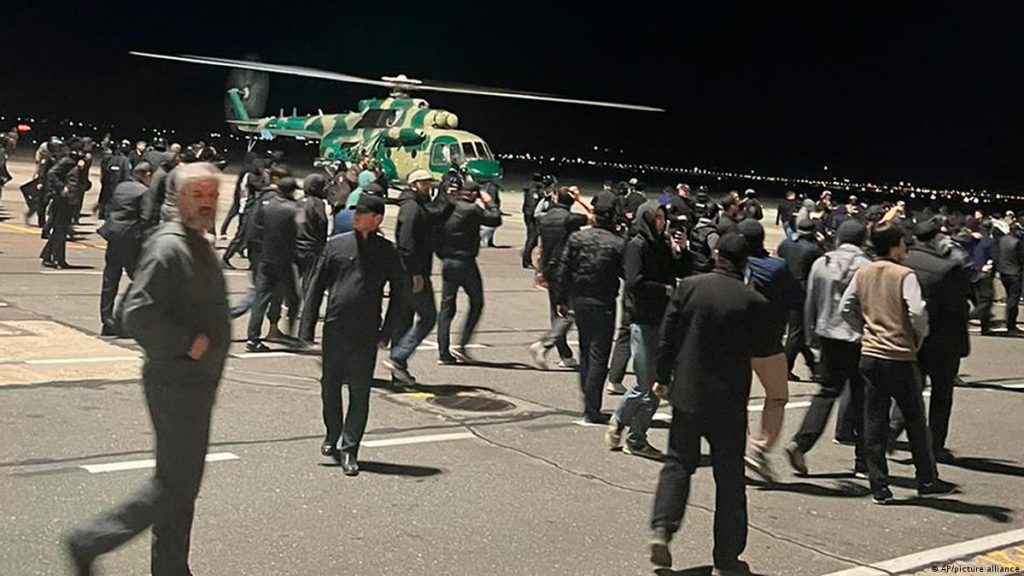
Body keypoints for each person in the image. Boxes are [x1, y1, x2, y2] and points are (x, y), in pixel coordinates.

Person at [65, 162, 230, 576]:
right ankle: (90, 540)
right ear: (177, 198)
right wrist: (186, 343)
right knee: (176, 484)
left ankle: (171, 567)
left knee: (180, 483)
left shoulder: (196, 242)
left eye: (212, 194)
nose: (207, 202)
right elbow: (135, 313)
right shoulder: (169, 247)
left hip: (195, 382)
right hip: (177, 383)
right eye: (197, 194)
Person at [647, 233, 775, 572]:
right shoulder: (752, 299)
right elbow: (764, 347)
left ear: (717, 255)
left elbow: (667, 336)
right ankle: (726, 557)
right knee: (730, 478)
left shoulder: (689, 286)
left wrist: (662, 376)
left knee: (678, 463)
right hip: (728, 400)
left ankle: (662, 528)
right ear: (745, 261)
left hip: (688, 392)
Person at [840, 222, 957, 503]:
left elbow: (846, 307)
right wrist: (917, 336)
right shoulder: (904, 275)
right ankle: (926, 479)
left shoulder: (863, 272)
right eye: (903, 244)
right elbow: (917, 312)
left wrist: (864, 330)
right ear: (895, 246)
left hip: (871, 354)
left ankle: (879, 484)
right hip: (900, 354)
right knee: (915, 420)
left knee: (874, 420)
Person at [300, 194, 409, 476]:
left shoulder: (387, 251)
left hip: (366, 331)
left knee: (360, 391)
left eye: (362, 213)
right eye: (355, 212)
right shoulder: (337, 245)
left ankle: (350, 448)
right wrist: (307, 327)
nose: (356, 217)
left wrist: (387, 332)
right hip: (336, 327)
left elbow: (401, 293)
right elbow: (316, 285)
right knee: (330, 386)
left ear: (377, 219)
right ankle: (333, 432)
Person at [784, 220, 871, 478]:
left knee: (827, 392)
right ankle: (864, 461)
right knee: (863, 398)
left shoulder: (822, 263)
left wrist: (811, 334)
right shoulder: (867, 266)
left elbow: (810, 300)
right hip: (858, 337)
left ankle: (801, 442)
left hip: (828, 334)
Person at [607, 201, 690, 457]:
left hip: (664, 319)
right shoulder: (637, 245)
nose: (662, 223)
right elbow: (634, 282)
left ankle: (634, 436)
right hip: (643, 320)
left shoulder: (662, 245)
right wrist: (664, 289)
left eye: (663, 218)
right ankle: (622, 422)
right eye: (657, 218)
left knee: (657, 383)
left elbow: (682, 271)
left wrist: (681, 251)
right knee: (646, 382)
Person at [549, 193, 625, 424]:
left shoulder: (577, 238)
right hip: (603, 301)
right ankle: (592, 407)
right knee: (599, 354)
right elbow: (626, 273)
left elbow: (563, 269)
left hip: (579, 299)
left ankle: (588, 398)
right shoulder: (618, 243)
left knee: (585, 350)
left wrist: (561, 300)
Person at [898, 220, 970, 461]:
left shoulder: (904, 261)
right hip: (943, 340)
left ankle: (894, 428)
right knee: (941, 396)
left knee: (909, 389)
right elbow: (958, 308)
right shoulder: (947, 268)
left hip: (912, 336)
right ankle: (934, 445)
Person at [737, 219, 802, 483]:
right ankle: (759, 447)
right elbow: (797, 297)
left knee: (735, 398)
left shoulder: (732, 265)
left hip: (735, 342)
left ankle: (737, 445)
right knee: (777, 397)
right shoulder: (776, 267)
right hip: (767, 342)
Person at [385, 169, 446, 383]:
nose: (428, 186)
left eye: (429, 183)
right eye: (423, 183)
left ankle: (398, 370)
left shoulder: (420, 205)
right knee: (428, 316)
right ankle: (398, 356)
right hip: (411, 272)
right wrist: (416, 273)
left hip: (410, 271)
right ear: (413, 184)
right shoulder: (411, 208)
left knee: (403, 319)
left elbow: (434, 217)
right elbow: (406, 244)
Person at [435, 182, 502, 364]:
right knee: (477, 302)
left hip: (448, 260)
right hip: (465, 261)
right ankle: (462, 344)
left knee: (447, 306)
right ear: (473, 194)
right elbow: (495, 219)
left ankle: (443, 352)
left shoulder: (449, 207)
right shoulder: (472, 210)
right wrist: (489, 202)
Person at [529, 186, 593, 368]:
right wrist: (580, 199)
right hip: (567, 269)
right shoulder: (570, 218)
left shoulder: (545, 218)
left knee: (556, 311)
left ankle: (564, 354)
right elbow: (595, 216)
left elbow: (541, 247)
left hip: (550, 269)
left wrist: (539, 271)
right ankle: (545, 344)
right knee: (571, 311)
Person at [97, 162, 154, 336]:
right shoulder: (144, 191)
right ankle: (127, 320)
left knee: (110, 280)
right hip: (130, 239)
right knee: (140, 280)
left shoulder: (121, 187)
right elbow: (146, 218)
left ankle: (107, 320)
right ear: (146, 175)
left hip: (113, 235)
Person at [245, 176, 301, 352]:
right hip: (285, 260)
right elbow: (300, 231)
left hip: (266, 257)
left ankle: (252, 338)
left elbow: (257, 227)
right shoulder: (293, 209)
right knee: (293, 298)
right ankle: (290, 333)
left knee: (260, 299)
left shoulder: (267, 206)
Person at [778, 217, 824, 381]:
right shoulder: (814, 249)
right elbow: (823, 264)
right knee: (797, 333)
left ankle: (813, 366)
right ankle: (785, 368)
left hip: (784, 288)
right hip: (801, 292)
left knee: (799, 332)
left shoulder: (786, 244)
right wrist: (821, 243)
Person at [40, 139, 84, 268]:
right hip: (62, 200)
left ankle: (48, 255)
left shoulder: (77, 163)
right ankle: (58, 259)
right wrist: (61, 187)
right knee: (60, 230)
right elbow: (51, 173)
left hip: (70, 200)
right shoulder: (67, 161)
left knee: (60, 230)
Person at [296, 173, 330, 300]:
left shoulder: (300, 201)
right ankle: (306, 305)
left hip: (296, 245)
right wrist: (322, 245)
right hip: (311, 247)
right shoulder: (317, 203)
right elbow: (322, 223)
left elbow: (297, 222)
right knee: (309, 281)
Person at [997, 222, 1024, 335]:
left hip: (1003, 272)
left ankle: (1008, 323)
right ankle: (1011, 325)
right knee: (1013, 300)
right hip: (1015, 273)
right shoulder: (1018, 242)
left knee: (1010, 298)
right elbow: (1022, 258)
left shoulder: (1002, 240)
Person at [97, 139, 132, 220]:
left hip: (109, 185)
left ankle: (105, 213)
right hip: (116, 185)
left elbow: (103, 174)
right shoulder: (123, 160)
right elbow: (126, 174)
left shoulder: (108, 159)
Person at [521, 174, 546, 268]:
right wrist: (535, 216)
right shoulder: (534, 190)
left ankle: (526, 256)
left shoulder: (531, 187)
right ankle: (526, 259)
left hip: (528, 214)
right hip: (531, 216)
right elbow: (532, 204)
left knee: (533, 238)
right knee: (532, 237)